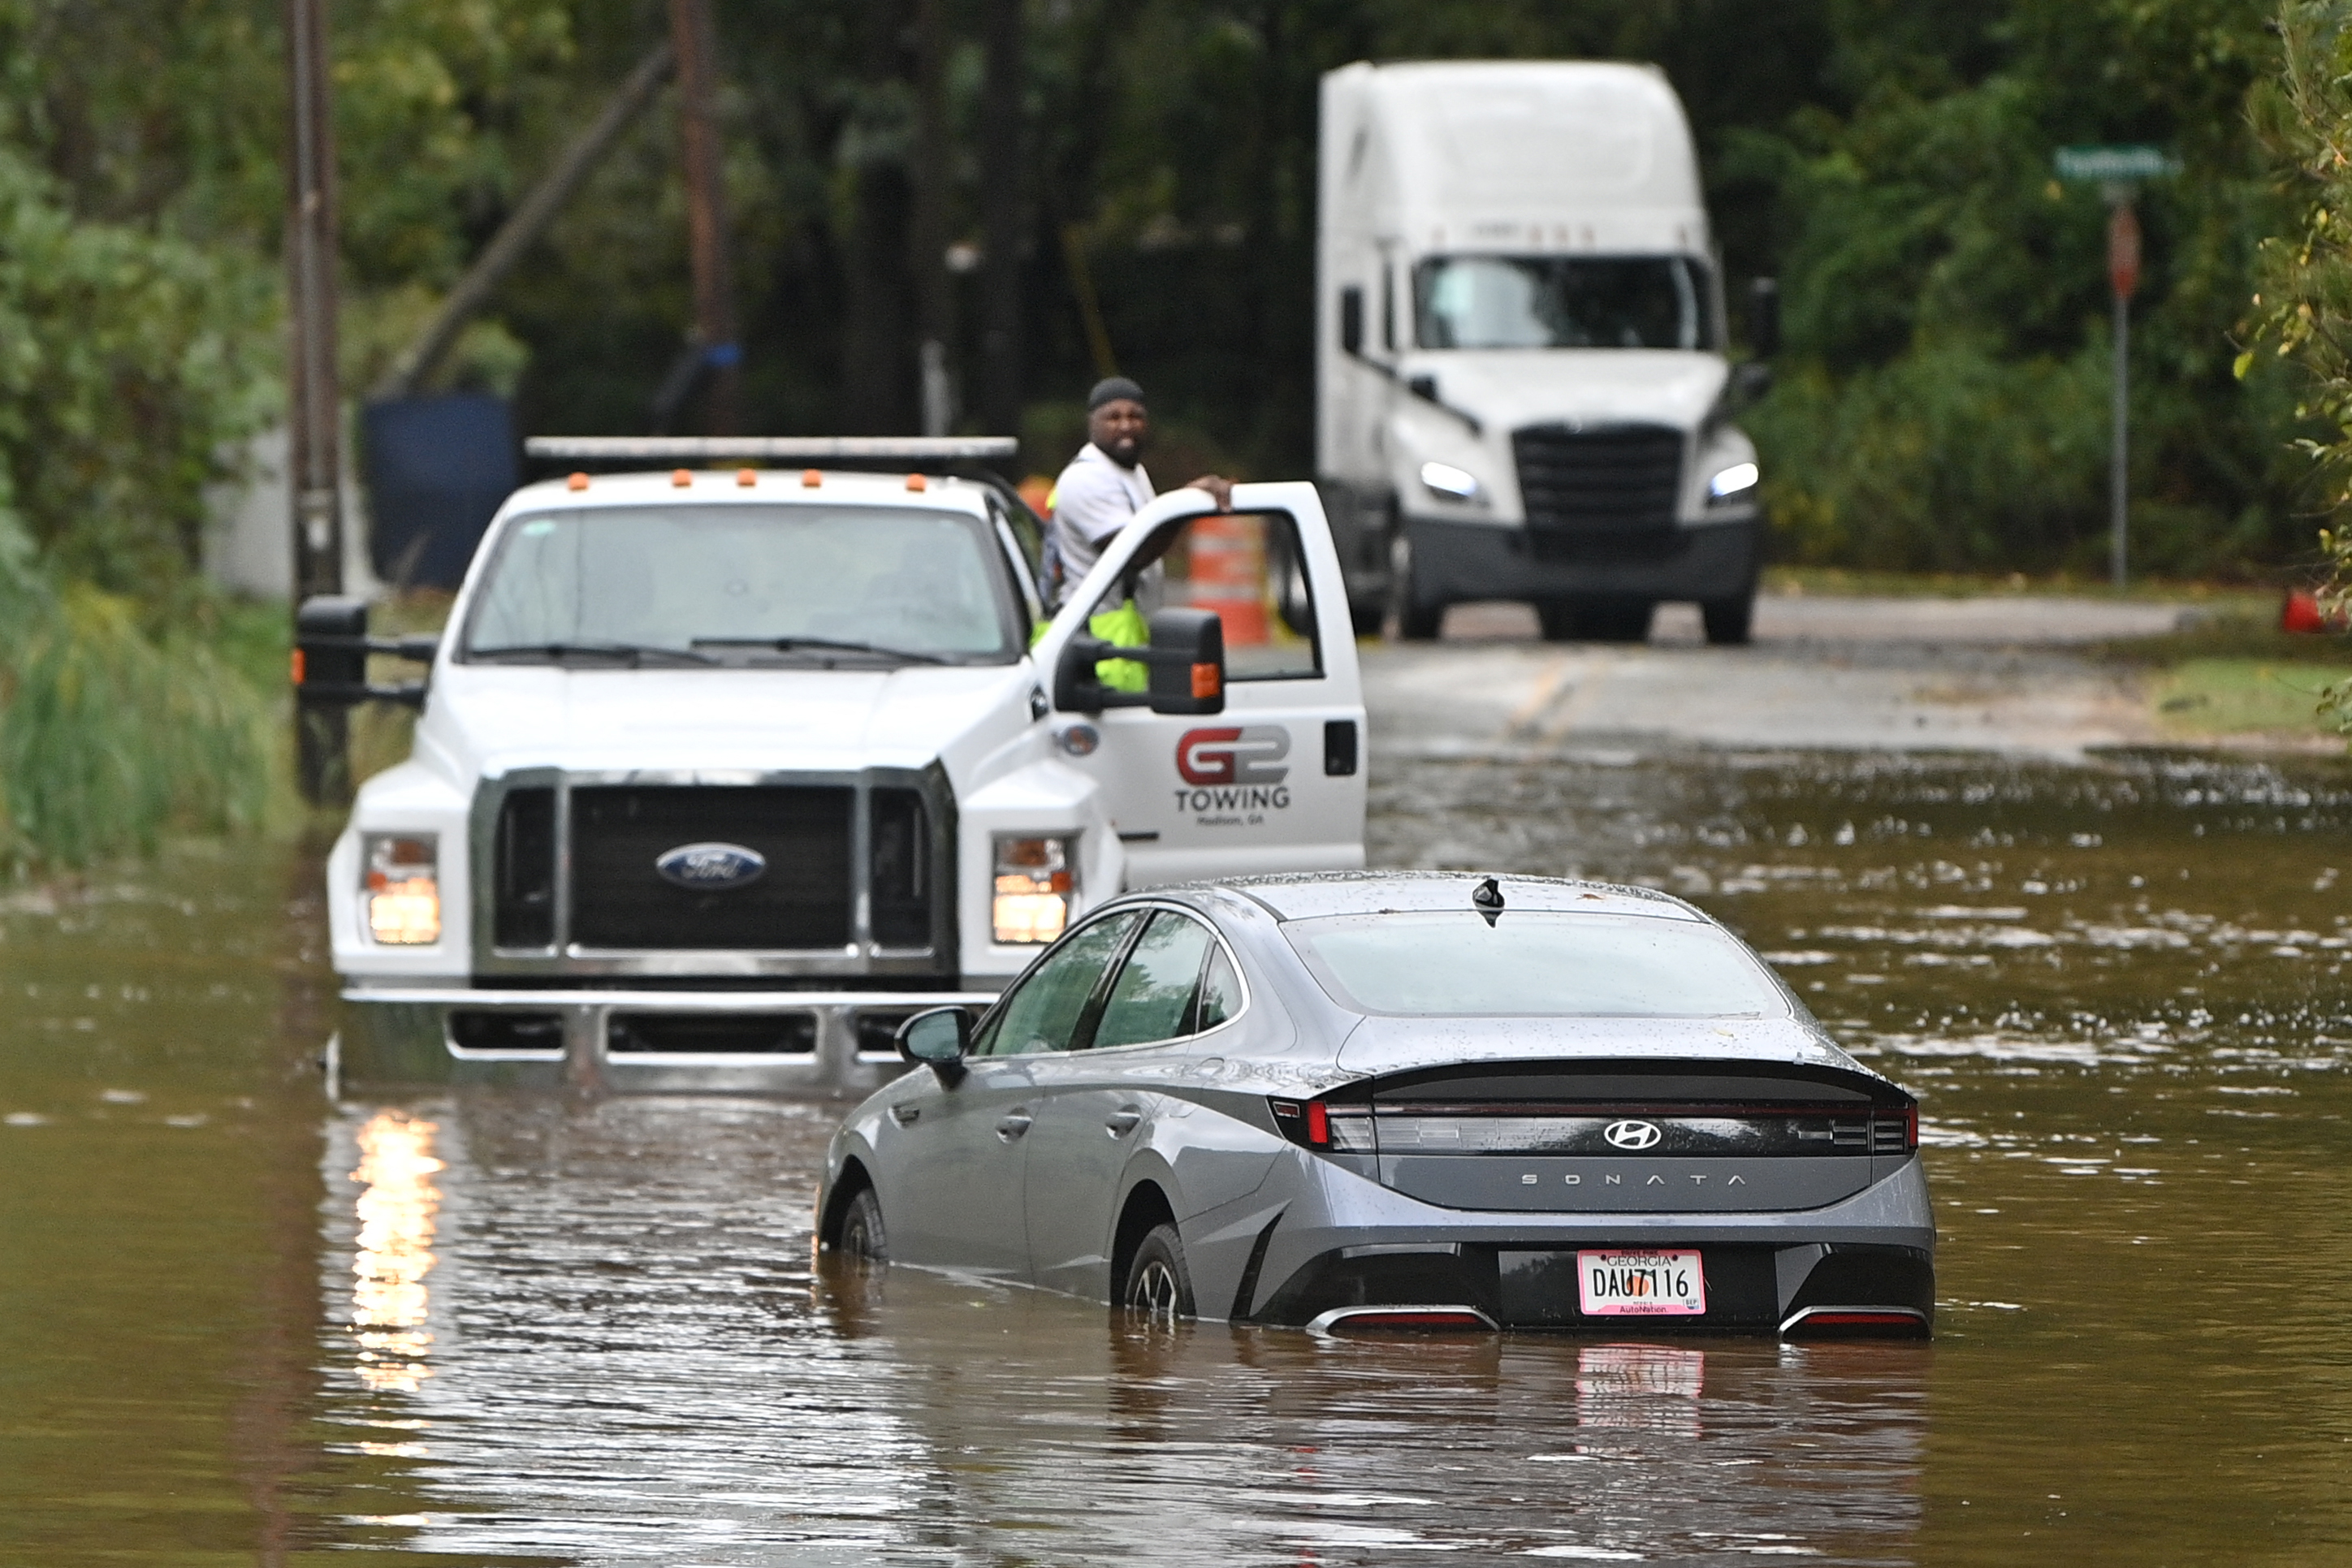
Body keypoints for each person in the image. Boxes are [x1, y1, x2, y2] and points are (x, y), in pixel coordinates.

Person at [1044, 377, 1233, 609]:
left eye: (1135, 416)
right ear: (1091, 422)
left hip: (1124, 630)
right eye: (1113, 417)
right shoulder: (1086, 477)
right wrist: (1182, 505)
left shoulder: (1131, 471)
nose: (1126, 426)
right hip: (1096, 633)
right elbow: (1132, 554)